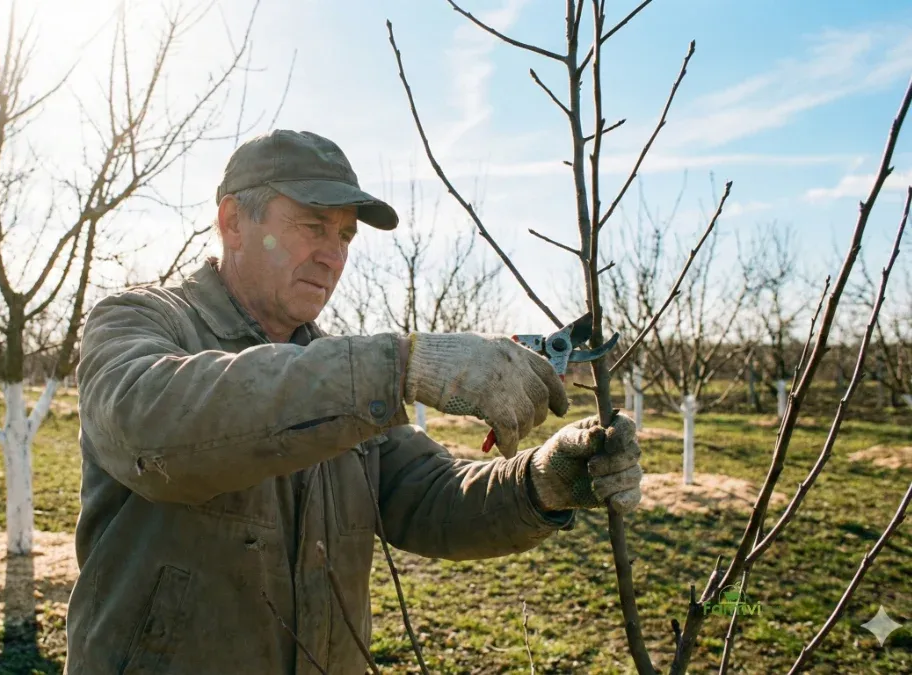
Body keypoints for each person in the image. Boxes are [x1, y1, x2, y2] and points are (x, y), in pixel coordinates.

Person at [65, 130, 643, 674]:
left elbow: (430, 496)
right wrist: (401, 365)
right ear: (233, 221)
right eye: (313, 226)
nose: (334, 255)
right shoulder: (140, 321)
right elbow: (151, 426)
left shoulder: (344, 380)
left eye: (344, 236)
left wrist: (541, 481)